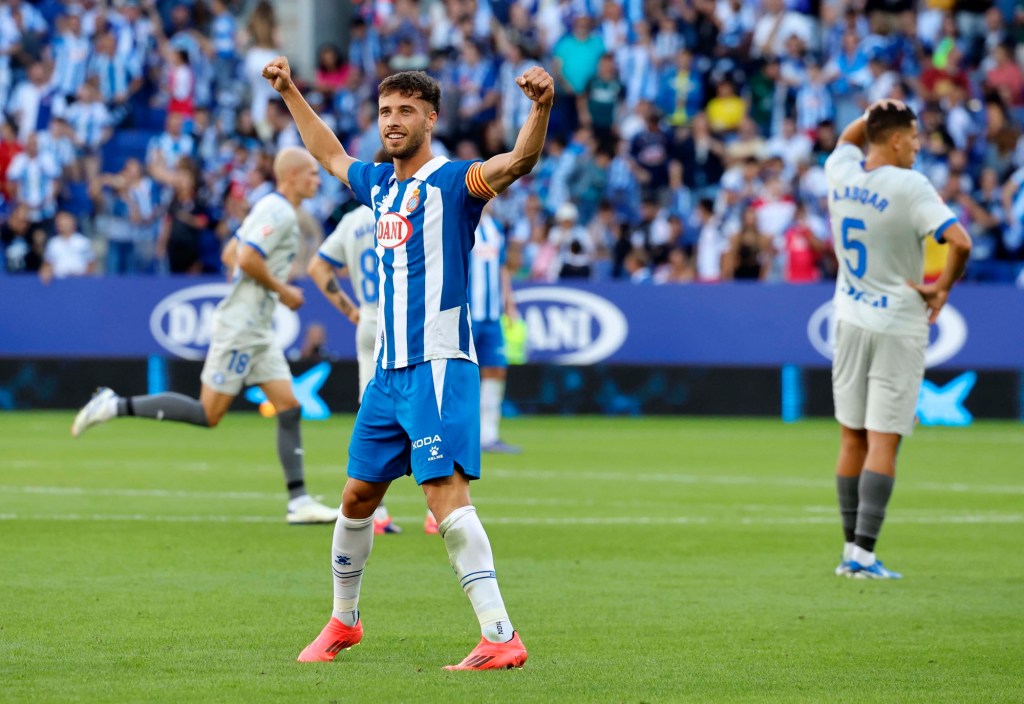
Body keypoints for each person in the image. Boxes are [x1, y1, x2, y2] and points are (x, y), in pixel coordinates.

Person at [261, 55, 552, 669]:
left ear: (430, 119)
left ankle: (500, 636)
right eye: (386, 111)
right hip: (387, 376)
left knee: (445, 496)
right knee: (357, 498)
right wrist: (290, 91)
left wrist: (540, 108)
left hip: (439, 365)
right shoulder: (380, 185)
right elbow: (329, 154)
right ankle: (343, 622)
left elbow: (519, 162)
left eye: (406, 112)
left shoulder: (454, 182)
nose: (393, 122)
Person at [70, 147, 340, 526]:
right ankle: (114, 405)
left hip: (258, 329)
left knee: (290, 408)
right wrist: (283, 290)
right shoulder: (277, 211)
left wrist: (254, 279)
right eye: (313, 173)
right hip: (242, 328)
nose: (318, 179)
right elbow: (245, 258)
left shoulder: (276, 211)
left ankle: (299, 502)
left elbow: (232, 251)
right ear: (292, 176)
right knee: (208, 413)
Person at [824, 100, 972, 579]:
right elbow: (961, 241)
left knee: (851, 436)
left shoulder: (839, 171)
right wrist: (942, 287)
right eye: (912, 136)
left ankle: (849, 553)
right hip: (897, 324)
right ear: (893, 140)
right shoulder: (911, 186)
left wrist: (871, 112)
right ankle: (865, 556)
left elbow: (849, 140)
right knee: (884, 438)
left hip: (847, 319)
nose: (917, 145)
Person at [307, 201, 404, 535]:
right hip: (404, 319)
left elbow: (318, 266)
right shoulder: (411, 204)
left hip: (368, 319)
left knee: (371, 407)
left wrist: (350, 310)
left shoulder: (352, 220)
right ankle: (438, 508)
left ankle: (376, 511)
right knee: (423, 405)